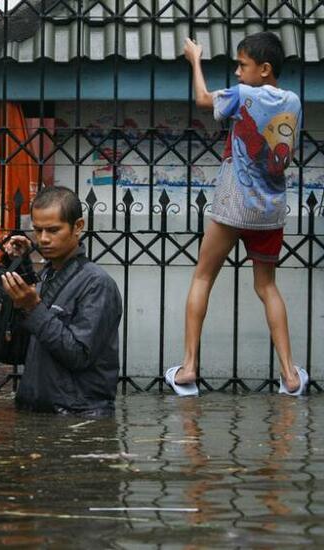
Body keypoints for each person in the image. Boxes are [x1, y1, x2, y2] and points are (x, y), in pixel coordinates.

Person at [166, 33, 304, 397]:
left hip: (233, 206)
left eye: (243, 65)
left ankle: (190, 368)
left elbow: (202, 99)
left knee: (202, 278)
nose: (238, 71)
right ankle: (290, 375)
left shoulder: (243, 94)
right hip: (271, 210)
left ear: (265, 69)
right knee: (267, 287)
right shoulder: (293, 100)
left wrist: (195, 59)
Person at [1, 186, 122, 416]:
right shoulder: (48, 275)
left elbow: (78, 355)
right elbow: (23, 346)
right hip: (40, 412)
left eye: (53, 230)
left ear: (78, 227)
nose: (43, 239)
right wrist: (21, 266)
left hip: (78, 415)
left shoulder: (97, 284)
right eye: (37, 230)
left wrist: (32, 307)